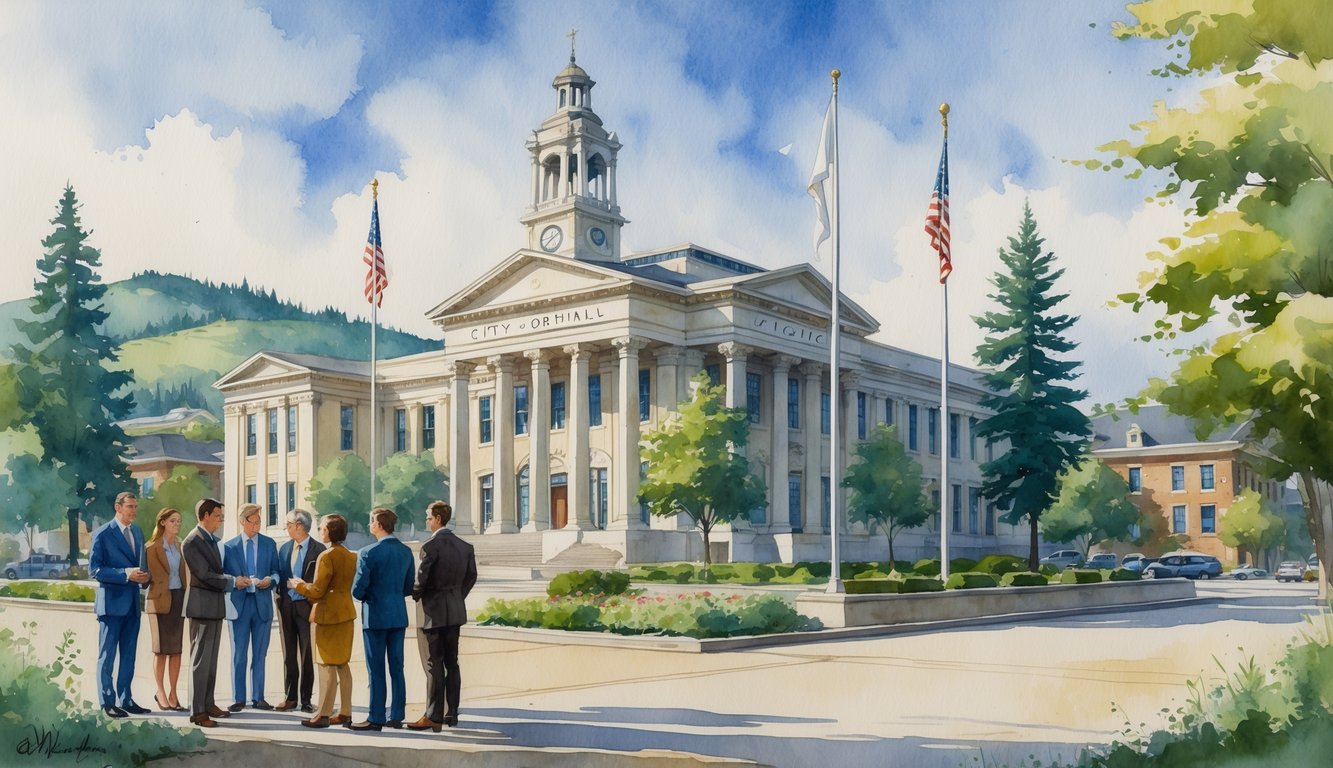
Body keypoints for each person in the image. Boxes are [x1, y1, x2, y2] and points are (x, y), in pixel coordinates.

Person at [408, 501, 476, 731]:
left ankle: (433, 715)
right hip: (455, 611)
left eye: (428, 517)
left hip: (432, 613)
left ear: (437, 518)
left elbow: (421, 580)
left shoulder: (430, 546)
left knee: (433, 664)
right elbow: (471, 577)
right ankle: (452, 713)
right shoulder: (465, 547)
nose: (427, 521)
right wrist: (457, 596)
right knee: (452, 663)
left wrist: (416, 595)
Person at [182, 498, 251, 727]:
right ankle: (198, 711)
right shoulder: (192, 541)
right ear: (205, 515)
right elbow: (204, 575)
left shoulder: (211, 540)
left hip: (213, 607)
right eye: (217, 516)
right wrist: (233, 581)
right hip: (201, 607)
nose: (220, 520)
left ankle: (208, 703)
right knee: (200, 661)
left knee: (210, 661)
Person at [348, 508, 415, 731]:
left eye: (371, 521)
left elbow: (357, 591)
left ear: (379, 525)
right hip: (397, 615)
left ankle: (376, 717)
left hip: (375, 616)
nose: (370, 525)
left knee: (375, 669)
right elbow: (408, 587)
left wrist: (369, 595)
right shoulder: (406, 552)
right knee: (397, 667)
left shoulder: (367, 552)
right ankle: (396, 715)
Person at [290, 514, 357, 728]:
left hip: (327, 616)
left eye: (322, 528)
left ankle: (323, 713)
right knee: (343, 665)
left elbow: (318, 590)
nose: (319, 530)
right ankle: (345, 711)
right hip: (346, 613)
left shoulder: (326, 556)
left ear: (329, 531)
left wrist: (298, 585)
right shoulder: (351, 555)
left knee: (326, 665)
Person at [89, 491, 151, 718]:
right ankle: (107, 703)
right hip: (111, 605)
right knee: (107, 656)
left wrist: (145, 577)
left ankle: (126, 699)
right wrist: (126, 574)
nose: (134, 511)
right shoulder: (103, 534)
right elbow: (94, 570)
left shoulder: (137, 531)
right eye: (130, 507)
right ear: (118, 507)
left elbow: (141, 566)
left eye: (135, 507)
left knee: (129, 655)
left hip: (133, 604)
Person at [222, 503, 279, 711]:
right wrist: (235, 580)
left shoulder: (269, 544)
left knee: (260, 654)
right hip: (239, 606)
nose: (257, 526)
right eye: (253, 522)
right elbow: (223, 576)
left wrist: (270, 580)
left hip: (262, 604)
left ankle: (258, 697)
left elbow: (276, 572)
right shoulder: (229, 547)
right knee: (239, 654)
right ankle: (239, 698)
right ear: (242, 521)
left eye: (259, 522)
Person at [275, 508, 325, 713]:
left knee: (306, 654)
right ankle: (290, 697)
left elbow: (322, 580)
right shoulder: (284, 548)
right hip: (286, 606)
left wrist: (305, 586)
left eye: (288, 524)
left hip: (307, 608)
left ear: (298, 526)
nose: (286, 528)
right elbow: (279, 574)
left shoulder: (319, 549)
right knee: (288, 654)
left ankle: (306, 699)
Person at [144, 507, 188, 712]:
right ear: (162, 523)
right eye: (173, 521)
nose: (177, 524)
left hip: (178, 599)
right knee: (160, 650)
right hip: (158, 601)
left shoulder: (181, 547)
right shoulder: (151, 548)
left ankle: (173, 692)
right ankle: (160, 691)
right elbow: (146, 577)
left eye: (178, 521)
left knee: (176, 651)